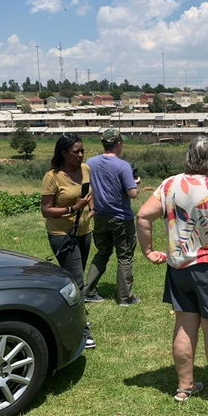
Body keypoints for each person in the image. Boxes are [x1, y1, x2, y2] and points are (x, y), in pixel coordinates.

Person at [136, 137, 208, 406]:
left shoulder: (169, 184)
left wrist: (148, 251)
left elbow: (143, 215)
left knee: (184, 326)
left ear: (187, 158)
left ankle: (185, 386)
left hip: (179, 266)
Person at [41, 132, 95, 348]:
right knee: (77, 282)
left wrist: (91, 209)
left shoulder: (85, 169)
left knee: (73, 281)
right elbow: (46, 210)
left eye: (82, 151)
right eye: (76, 152)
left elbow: (89, 192)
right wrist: (73, 208)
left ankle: (66, 315)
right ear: (63, 153)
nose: (81, 155)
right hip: (62, 235)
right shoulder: (52, 177)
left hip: (84, 232)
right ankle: (82, 330)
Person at [83, 128, 141, 306]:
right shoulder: (122, 166)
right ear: (118, 144)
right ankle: (125, 297)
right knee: (124, 256)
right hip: (120, 217)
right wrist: (135, 183)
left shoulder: (90, 162)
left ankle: (89, 291)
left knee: (102, 252)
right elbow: (132, 193)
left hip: (100, 215)